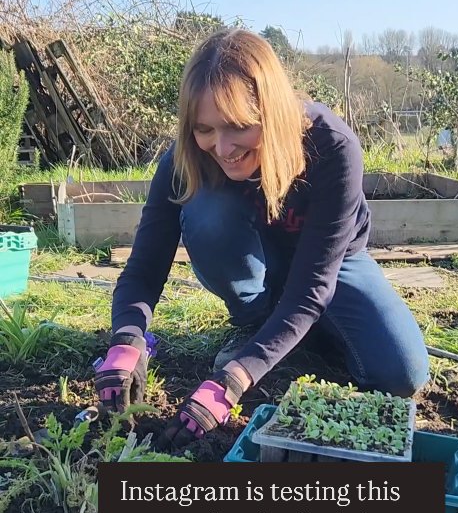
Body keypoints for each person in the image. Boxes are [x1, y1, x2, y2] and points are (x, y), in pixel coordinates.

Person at [94, 28, 429, 451]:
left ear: (269, 110)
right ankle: (257, 324)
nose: (222, 146)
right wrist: (126, 339)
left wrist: (233, 379)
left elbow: (312, 288)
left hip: (333, 263)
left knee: (402, 373)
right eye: (204, 129)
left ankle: (282, 339)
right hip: (250, 254)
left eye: (238, 127)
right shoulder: (184, 159)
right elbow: (144, 266)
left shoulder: (332, 148)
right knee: (208, 215)